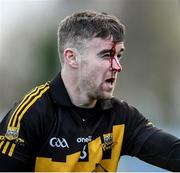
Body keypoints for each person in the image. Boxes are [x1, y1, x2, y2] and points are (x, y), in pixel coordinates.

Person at [0, 10, 180, 172]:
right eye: (106, 55)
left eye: (119, 56)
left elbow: (174, 153)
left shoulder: (121, 117)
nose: (117, 66)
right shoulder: (32, 113)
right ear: (72, 58)